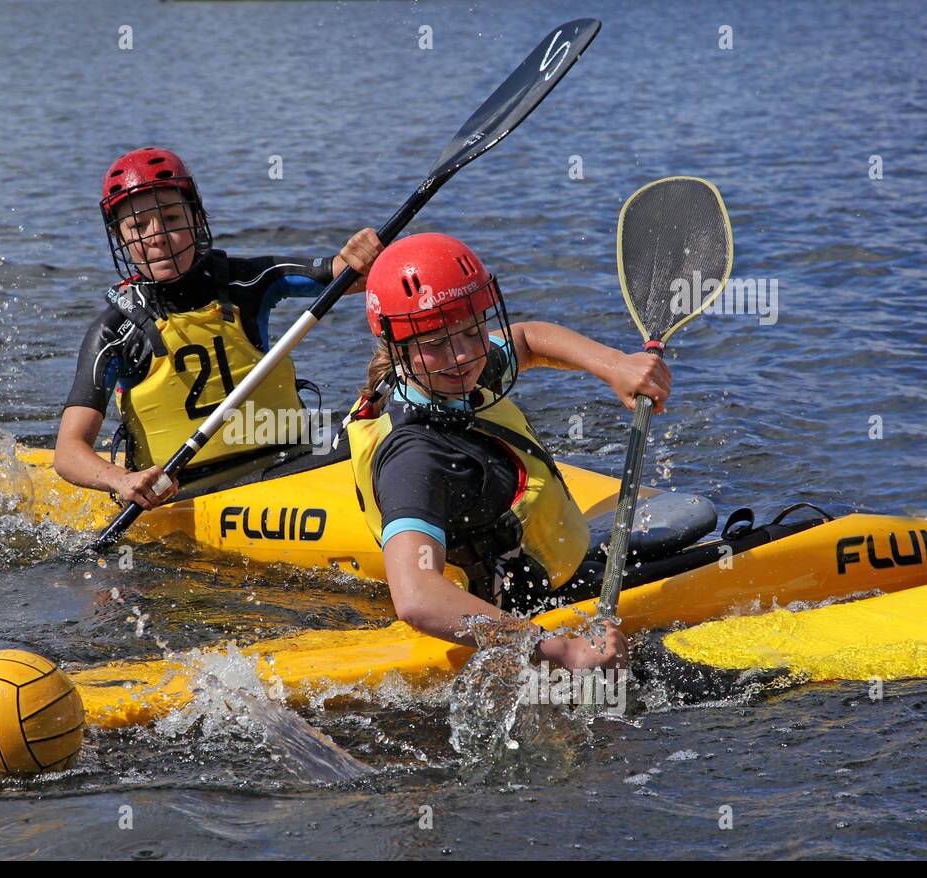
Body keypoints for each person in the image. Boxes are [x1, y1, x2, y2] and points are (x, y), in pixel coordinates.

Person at [345, 233, 672, 670]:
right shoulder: (415, 458)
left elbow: (528, 340)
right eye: (437, 343)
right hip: (510, 622)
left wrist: (615, 367)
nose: (462, 355)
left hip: (553, 578)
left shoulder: (453, 372)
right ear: (398, 347)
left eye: (471, 330)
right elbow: (417, 597)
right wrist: (562, 651)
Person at [54, 147, 382, 510]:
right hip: (183, 496)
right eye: (138, 226)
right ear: (120, 239)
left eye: (172, 218)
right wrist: (122, 480)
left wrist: (360, 256)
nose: (158, 236)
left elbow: (349, 276)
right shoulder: (114, 331)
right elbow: (68, 452)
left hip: (293, 469)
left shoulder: (248, 282)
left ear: (196, 218)